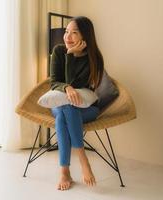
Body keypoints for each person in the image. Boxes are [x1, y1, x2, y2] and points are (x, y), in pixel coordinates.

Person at [50, 16, 104, 190]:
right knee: (66, 107)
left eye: (74, 33)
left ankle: (66, 171)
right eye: (66, 32)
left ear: (85, 36)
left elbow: (77, 85)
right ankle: (82, 160)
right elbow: (54, 83)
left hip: (87, 108)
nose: (68, 37)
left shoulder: (94, 57)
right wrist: (66, 87)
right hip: (62, 106)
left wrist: (71, 56)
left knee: (66, 113)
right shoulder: (59, 51)